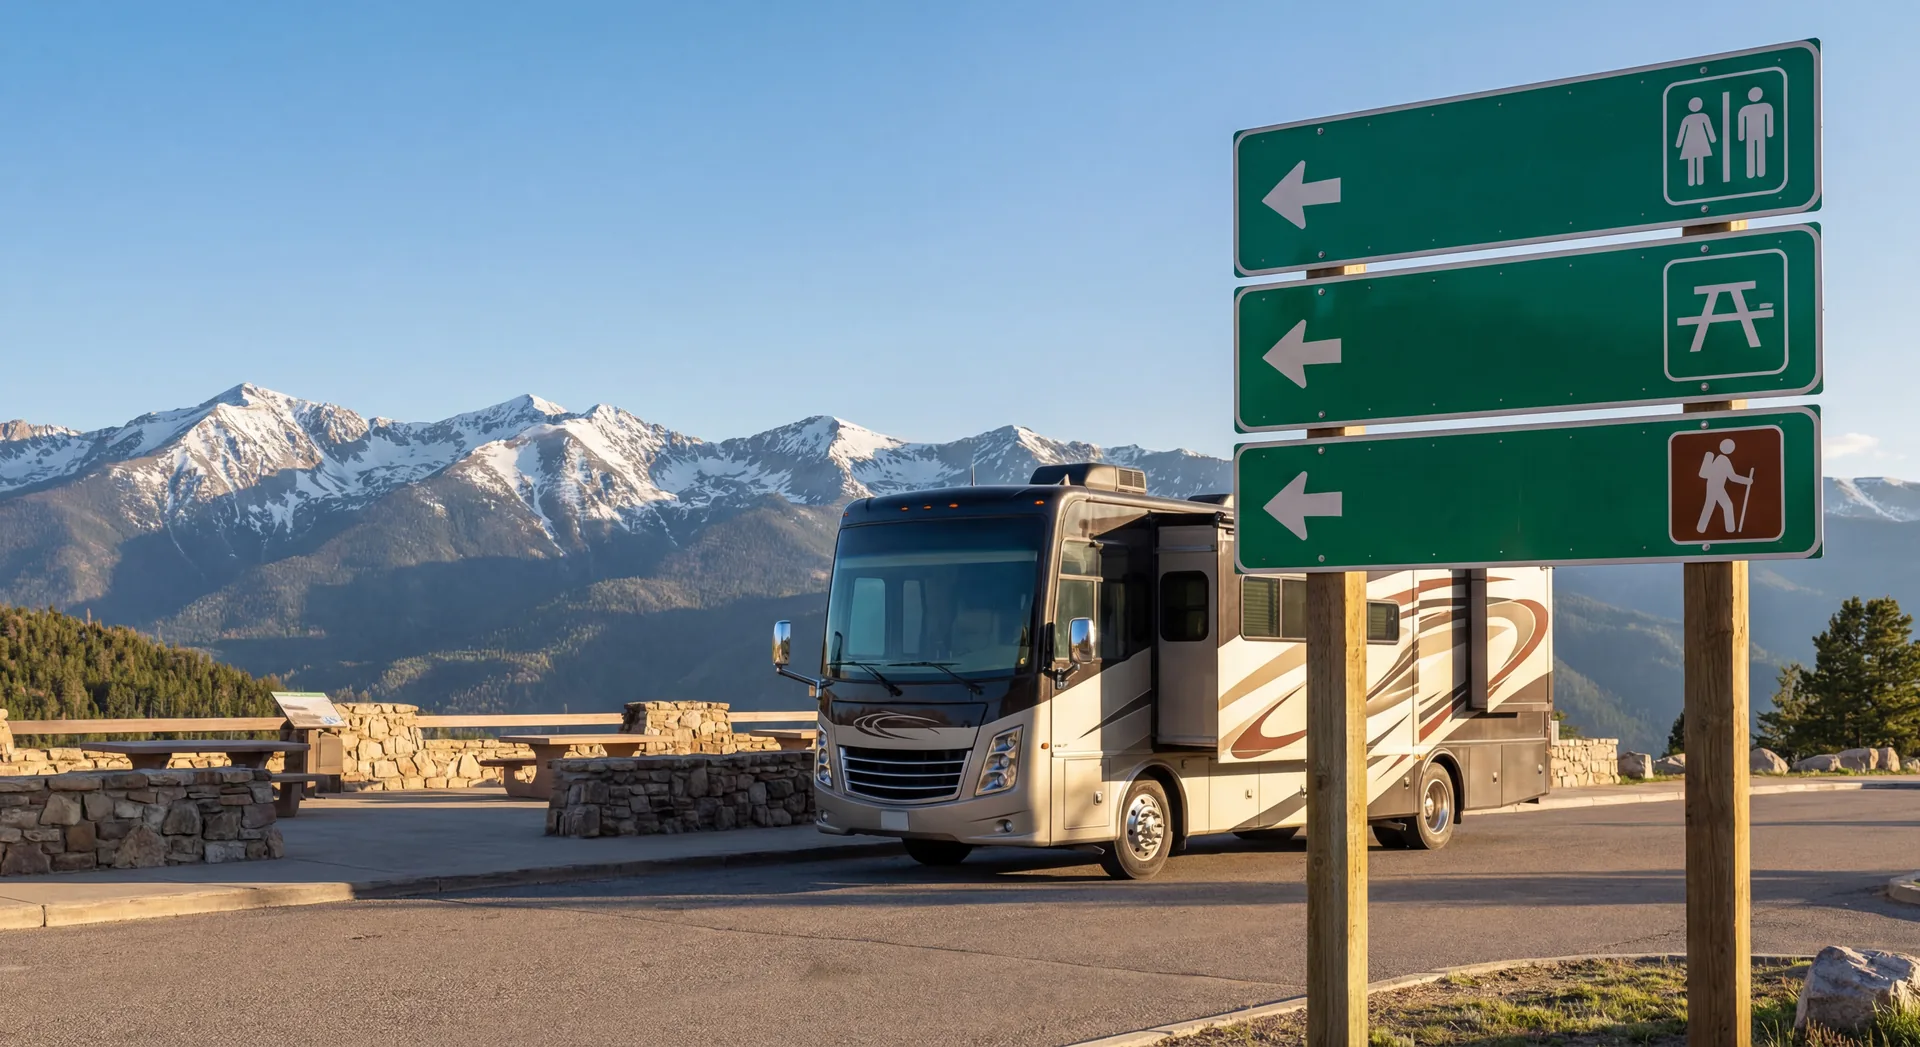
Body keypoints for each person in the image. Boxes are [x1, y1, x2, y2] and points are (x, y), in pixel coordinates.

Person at [1697, 438, 1754, 534]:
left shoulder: (1720, 458)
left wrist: (1747, 481)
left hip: (1713, 486)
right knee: (1724, 505)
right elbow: (1732, 477)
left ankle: (1702, 529)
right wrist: (1747, 481)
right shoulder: (1723, 460)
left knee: (1712, 505)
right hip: (1716, 487)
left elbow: (1731, 477)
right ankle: (1729, 530)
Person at [1675, 96, 1717, 188]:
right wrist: (1678, 143)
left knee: (1698, 160)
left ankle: (1699, 180)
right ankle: (1694, 181)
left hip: (1697, 141)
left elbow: (1708, 127)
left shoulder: (1701, 117)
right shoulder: (1689, 118)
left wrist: (1712, 138)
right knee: (1694, 160)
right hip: (1692, 142)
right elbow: (1682, 131)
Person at [1737, 85, 1775, 180]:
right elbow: (1741, 122)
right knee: (1750, 152)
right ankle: (1750, 172)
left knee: (1760, 151)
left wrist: (1769, 132)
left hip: (1760, 133)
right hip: (1749, 134)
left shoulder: (1766, 106)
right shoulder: (1744, 109)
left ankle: (1761, 172)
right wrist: (1741, 135)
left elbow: (1769, 119)